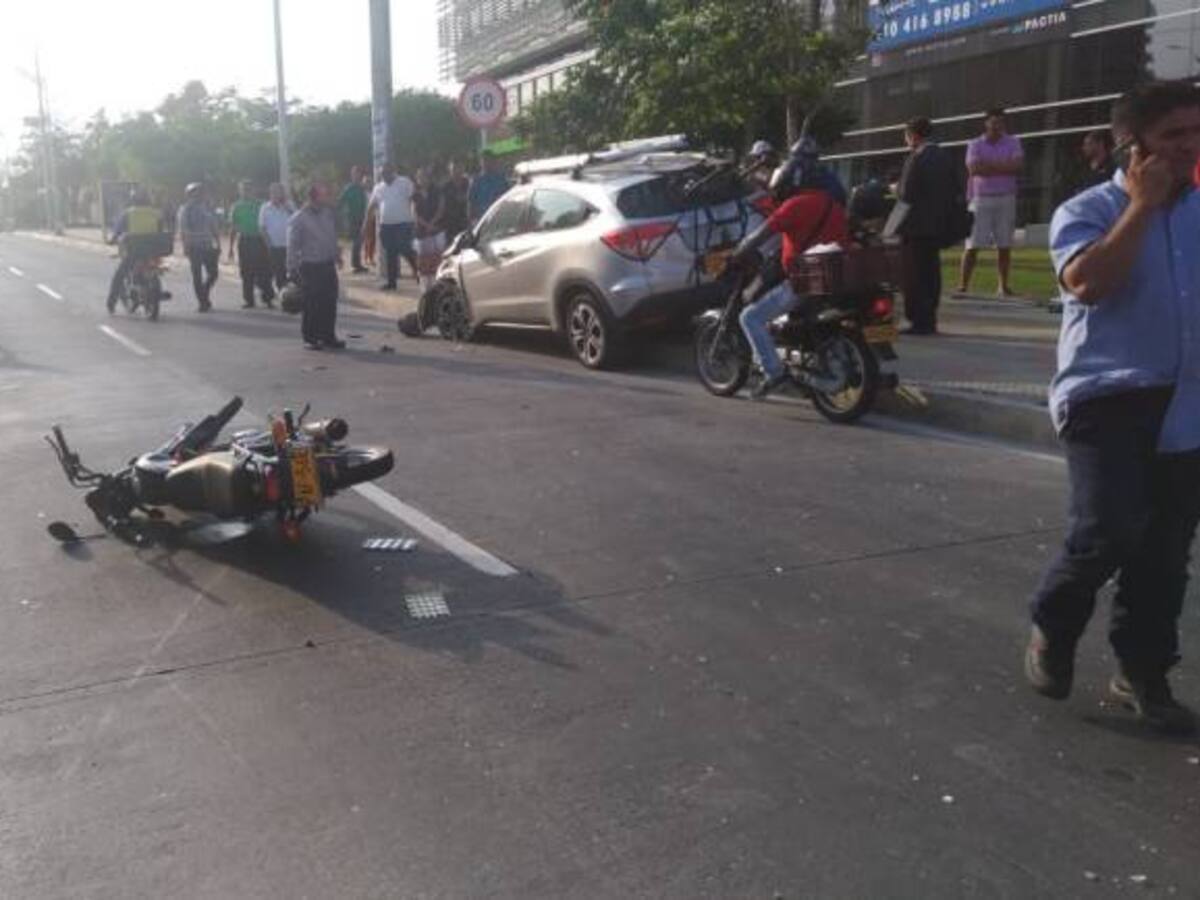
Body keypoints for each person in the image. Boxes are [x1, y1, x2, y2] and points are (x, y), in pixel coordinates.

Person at [1026, 81, 1200, 736]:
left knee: (1164, 550)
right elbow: (1091, 283)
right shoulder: (1087, 210)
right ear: (1136, 146)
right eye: (1173, 135)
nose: (1189, 147)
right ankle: (1054, 622)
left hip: (1187, 402)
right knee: (1110, 529)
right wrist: (1142, 207)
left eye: (1196, 132)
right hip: (1107, 396)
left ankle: (1143, 673)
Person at [727, 151, 849, 399]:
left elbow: (760, 236)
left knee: (749, 317)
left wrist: (737, 254)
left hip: (805, 278)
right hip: (835, 276)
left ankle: (773, 372)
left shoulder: (794, 205)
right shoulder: (832, 204)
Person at [896, 117, 958, 335]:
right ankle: (930, 317)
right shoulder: (945, 157)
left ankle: (918, 320)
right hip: (938, 225)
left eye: (906, 136)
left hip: (916, 227)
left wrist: (890, 228)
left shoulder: (916, 158)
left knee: (915, 276)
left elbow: (906, 196)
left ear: (914, 136)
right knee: (932, 274)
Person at [957, 108, 1023, 297]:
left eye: (1000, 122)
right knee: (972, 244)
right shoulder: (975, 144)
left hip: (1006, 197)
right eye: (993, 122)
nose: (996, 126)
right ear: (986, 123)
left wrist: (989, 166)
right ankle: (963, 285)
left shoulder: (1013, 142)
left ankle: (1003, 286)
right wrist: (1004, 167)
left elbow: (1017, 166)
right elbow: (974, 169)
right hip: (980, 198)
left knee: (1004, 244)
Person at [287, 180, 345, 351]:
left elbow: (331, 236)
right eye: (324, 194)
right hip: (310, 266)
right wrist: (291, 269)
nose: (327, 197)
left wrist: (337, 256)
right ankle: (310, 338)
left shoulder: (327, 213)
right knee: (312, 304)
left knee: (330, 301)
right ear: (315, 197)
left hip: (327, 264)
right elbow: (292, 245)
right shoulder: (298, 218)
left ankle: (328, 336)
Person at [106, 189, 168, 313]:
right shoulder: (156, 213)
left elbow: (118, 231)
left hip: (133, 251)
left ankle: (111, 303)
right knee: (158, 268)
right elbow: (161, 231)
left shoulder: (128, 213)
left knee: (119, 275)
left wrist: (112, 240)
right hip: (153, 251)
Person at [364, 163, 417, 290]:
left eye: (387, 173)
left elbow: (414, 199)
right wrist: (366, 223)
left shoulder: (404, 182)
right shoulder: (378, 187)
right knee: (391, 253)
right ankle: (391, 282)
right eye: (382, 174)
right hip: (386, 225)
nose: (384, 176)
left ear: (393, 171)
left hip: (403, 223)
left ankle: (417, 269)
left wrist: (415, 217)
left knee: (404, 247)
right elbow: (372, 206)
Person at [228, 180, 275, 309]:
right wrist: (231, 248)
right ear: (239, 190)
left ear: (254, 190)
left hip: (260, 241)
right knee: (246, 272)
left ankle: (268, 298)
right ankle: (249, 300)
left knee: (264, 270)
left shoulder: (262, 205)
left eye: (248, 189)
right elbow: (233, 227)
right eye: (243, 189)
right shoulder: (236, 206)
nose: (246, 191)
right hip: (245, 241)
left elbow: (268, 224)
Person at [177, 182, 221, 312]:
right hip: (194, 246)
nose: (199, 194)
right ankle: (203, 302)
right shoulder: (185, 209)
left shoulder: (207, 207)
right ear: (189, 195)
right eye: (195, 192)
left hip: (207, 244)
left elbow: (214, 225)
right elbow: (183, 228)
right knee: (197, 275)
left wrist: (217, 242)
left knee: (213, 274)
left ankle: (204, 292)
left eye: (201, 192)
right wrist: (185, 245)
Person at [413, 165, 446, 291]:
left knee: (438, 260)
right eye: (419, 177)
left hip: (437, 230)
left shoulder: (437, 191)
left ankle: (438, 287)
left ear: (429, 178)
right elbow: (414, 213)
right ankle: (425, 291)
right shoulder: (415, 194)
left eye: (424, 176)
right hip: (421, 232)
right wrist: (426, 225)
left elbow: (441, 208)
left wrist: (432, 223)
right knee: (423, 263)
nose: (422, 179)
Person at [259, 182, 294, 292]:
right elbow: (262, 227)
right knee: (274, 272)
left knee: (288, 272)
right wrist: (268, 244)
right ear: (270, 193)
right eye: (274, 192)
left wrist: (287, 207)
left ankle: (286, 293)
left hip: (289, 245)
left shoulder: (290, 205)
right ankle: (275, 295)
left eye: (279, 192)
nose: (276, 194)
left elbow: (297, 221)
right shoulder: (265, 207)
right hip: (273, 246)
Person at [338, 165, 369, 273]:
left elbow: (366, 202)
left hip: (362, 218)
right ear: (352, 175)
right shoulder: (349, 188)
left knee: (359, 242)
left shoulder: (361, 188)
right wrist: (342, 216)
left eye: (358, 173)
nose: (356, 175)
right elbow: (341, 202)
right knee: (357, 241)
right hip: (353, 218)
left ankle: (357, 263)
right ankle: (356, 265)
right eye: (354, 173)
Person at [468, 150, 510, 225]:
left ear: (494, 161)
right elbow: (471, 202)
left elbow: (508, 199)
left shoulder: (501, 179)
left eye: (489, 160)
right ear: (480, 163)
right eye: (484, 160)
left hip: (499, 219)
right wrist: (472, 220)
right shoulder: (476, 181)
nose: (486, 163)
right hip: (482, 221)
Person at [442, 160, 471, 240]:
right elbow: (442, 207)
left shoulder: (469, 183)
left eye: (459, 168)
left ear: (463, 169)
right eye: (454, 169)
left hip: (468, 221)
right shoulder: (445, 187)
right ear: (450, 171)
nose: (457, 171)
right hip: (451, 225)